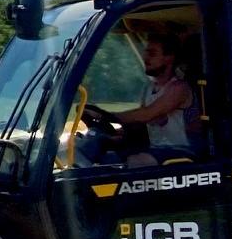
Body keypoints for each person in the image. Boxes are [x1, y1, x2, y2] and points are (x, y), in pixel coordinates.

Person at [75, 34, 202, 167]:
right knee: (109, 156)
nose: (145, 58)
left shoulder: (178, 88)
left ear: (168, 58)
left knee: (138, 161)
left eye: (152, 54)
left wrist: (106, 116)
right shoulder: (148, 88)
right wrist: (113, 136)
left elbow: (146, 114)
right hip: (156, 149)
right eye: (146, 53)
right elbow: (139, 125)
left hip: (184, 151)